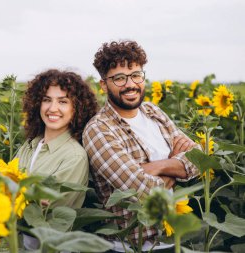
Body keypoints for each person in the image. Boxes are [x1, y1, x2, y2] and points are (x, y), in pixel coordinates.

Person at [82, 40, 200, 251]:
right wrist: (176, 164)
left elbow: (199, 159)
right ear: (103, 85)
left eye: (136, 75)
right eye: (119, 78)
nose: (130, 84)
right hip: (130, 245)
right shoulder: (98, 130)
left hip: (173, 236)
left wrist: (158, 167)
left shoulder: (153, 112)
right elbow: (141, 193)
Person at [17, 69, 98, 209]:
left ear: (77, 108)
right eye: (47, 100)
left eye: (63, 101)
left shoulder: (74, 156)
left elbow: (47, 209)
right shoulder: (30, 145)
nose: (53, 108)